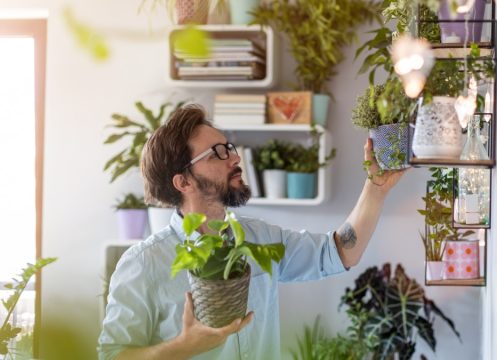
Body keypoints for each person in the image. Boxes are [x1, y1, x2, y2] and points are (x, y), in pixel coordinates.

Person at [97, 104, 406, 360]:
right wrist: (183, 347)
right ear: (184, 182)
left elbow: (339, 251)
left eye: (229, 147)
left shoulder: (259, 239)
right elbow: (112, 355)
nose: (235, 157)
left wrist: (375, 189)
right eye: (217, 152)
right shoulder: (142, 264)